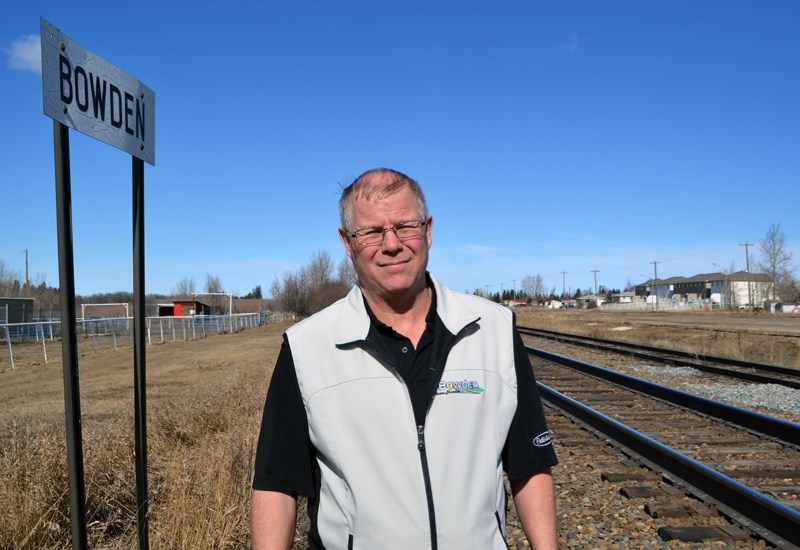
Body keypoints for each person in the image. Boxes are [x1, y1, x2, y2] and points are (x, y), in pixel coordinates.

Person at [251, 168, 558, 549]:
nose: (392, 244)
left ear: (428, 230)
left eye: (404, 226)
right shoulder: (306, 346)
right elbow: (276, 483)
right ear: (347, 242)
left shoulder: (492, 328)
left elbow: (530, 463)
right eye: (372, 232)